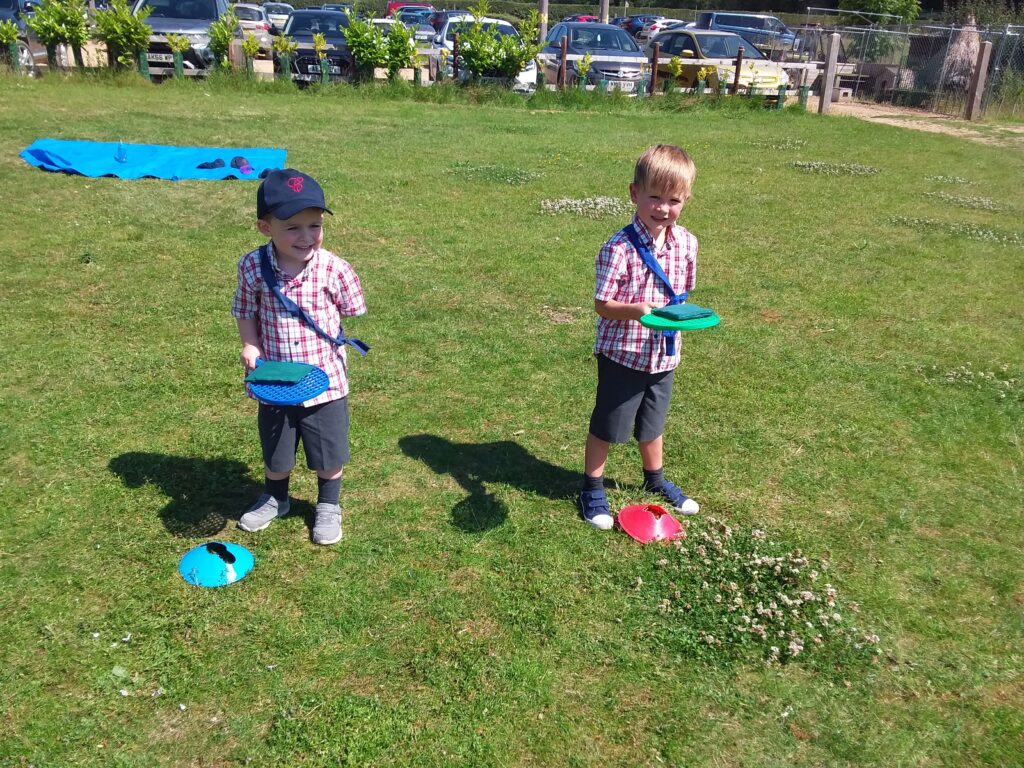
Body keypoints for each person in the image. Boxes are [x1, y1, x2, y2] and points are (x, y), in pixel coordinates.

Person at [231, 169, 367, 545]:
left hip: (325, 381)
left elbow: (353, 310)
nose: (306, 237)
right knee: (276, 448)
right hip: (274, 378)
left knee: (328, 452)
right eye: (292, 228)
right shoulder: (252, 267)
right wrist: (250, 344)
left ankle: (328, 505)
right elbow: (244, 308)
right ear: (265, 228)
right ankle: (276, 498)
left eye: (315, 225)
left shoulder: (334, 268)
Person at [579, 144, 701, 530]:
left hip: (664, 356)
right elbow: (602, 304)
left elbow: (685, 294)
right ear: (635, 194)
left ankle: (655, 479)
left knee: (653, 423)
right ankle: (592, 487)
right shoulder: (618, 248)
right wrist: (636, 310)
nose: (663, 208)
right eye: (654, 197)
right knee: (609, 426)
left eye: (673, 200)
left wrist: (685, 318)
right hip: (623, 354)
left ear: (685, 200)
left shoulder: (687, 244)